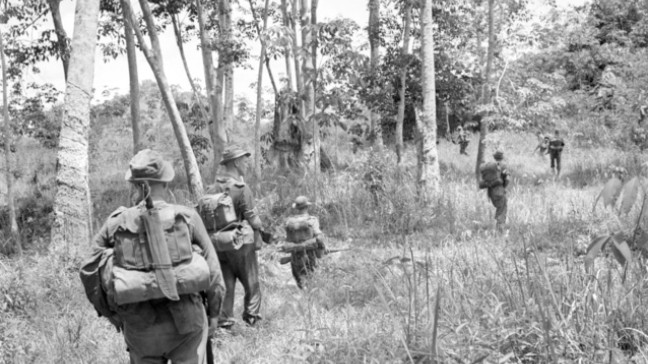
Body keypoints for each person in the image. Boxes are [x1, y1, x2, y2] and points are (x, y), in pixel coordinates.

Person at [88, 149, 225, 364]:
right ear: (166, 184)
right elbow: (214, 272)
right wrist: (215, 314)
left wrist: (112, 315)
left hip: (139, 327)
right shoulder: (187, 217)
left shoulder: (116, 223)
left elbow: (88, 270)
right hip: (188, 323)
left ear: (135, 186)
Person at [207, 145, 264, 328]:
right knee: (252, 283)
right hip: (240, 245)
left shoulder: (212, 187)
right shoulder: (241, 188)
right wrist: (261, 231)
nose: (247, 164)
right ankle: (252, 318)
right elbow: (253, 219)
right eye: (245, 161)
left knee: (226, 284)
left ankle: (224, 324)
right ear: (237, 163)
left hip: (218, 245)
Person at [281, 196, 327, 289]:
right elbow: (319, 238)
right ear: (307, 207)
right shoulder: (312, 220)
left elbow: (288, 239)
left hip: (295, 256)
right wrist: (322, 249)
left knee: (300, 282)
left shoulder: (288, 222)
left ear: (296, 208)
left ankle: (303, 298)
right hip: (310, 255)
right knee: (312, 279)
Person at [487, 151, 509, 231]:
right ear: (502, 157)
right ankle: (500, 234)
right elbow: (507, 179)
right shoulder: (504, 166)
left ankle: (497, 231)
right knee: (502, 211)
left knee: (499, 209)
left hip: (492, 193)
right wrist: (504, 187)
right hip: (500, 192)